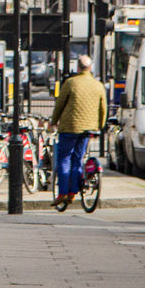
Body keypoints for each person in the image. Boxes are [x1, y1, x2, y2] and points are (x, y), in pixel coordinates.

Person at [50, 53, 107, 208]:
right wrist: (100, 126)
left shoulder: (70, 83)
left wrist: (53, 122)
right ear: (90, 68)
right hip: (89, 128)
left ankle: (62, 192)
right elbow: (103, 109)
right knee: (78, 159)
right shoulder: (98, 85)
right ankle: (73, 192)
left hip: (69, 127)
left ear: (77, 67)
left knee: (64, 158)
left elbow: (59, 105)